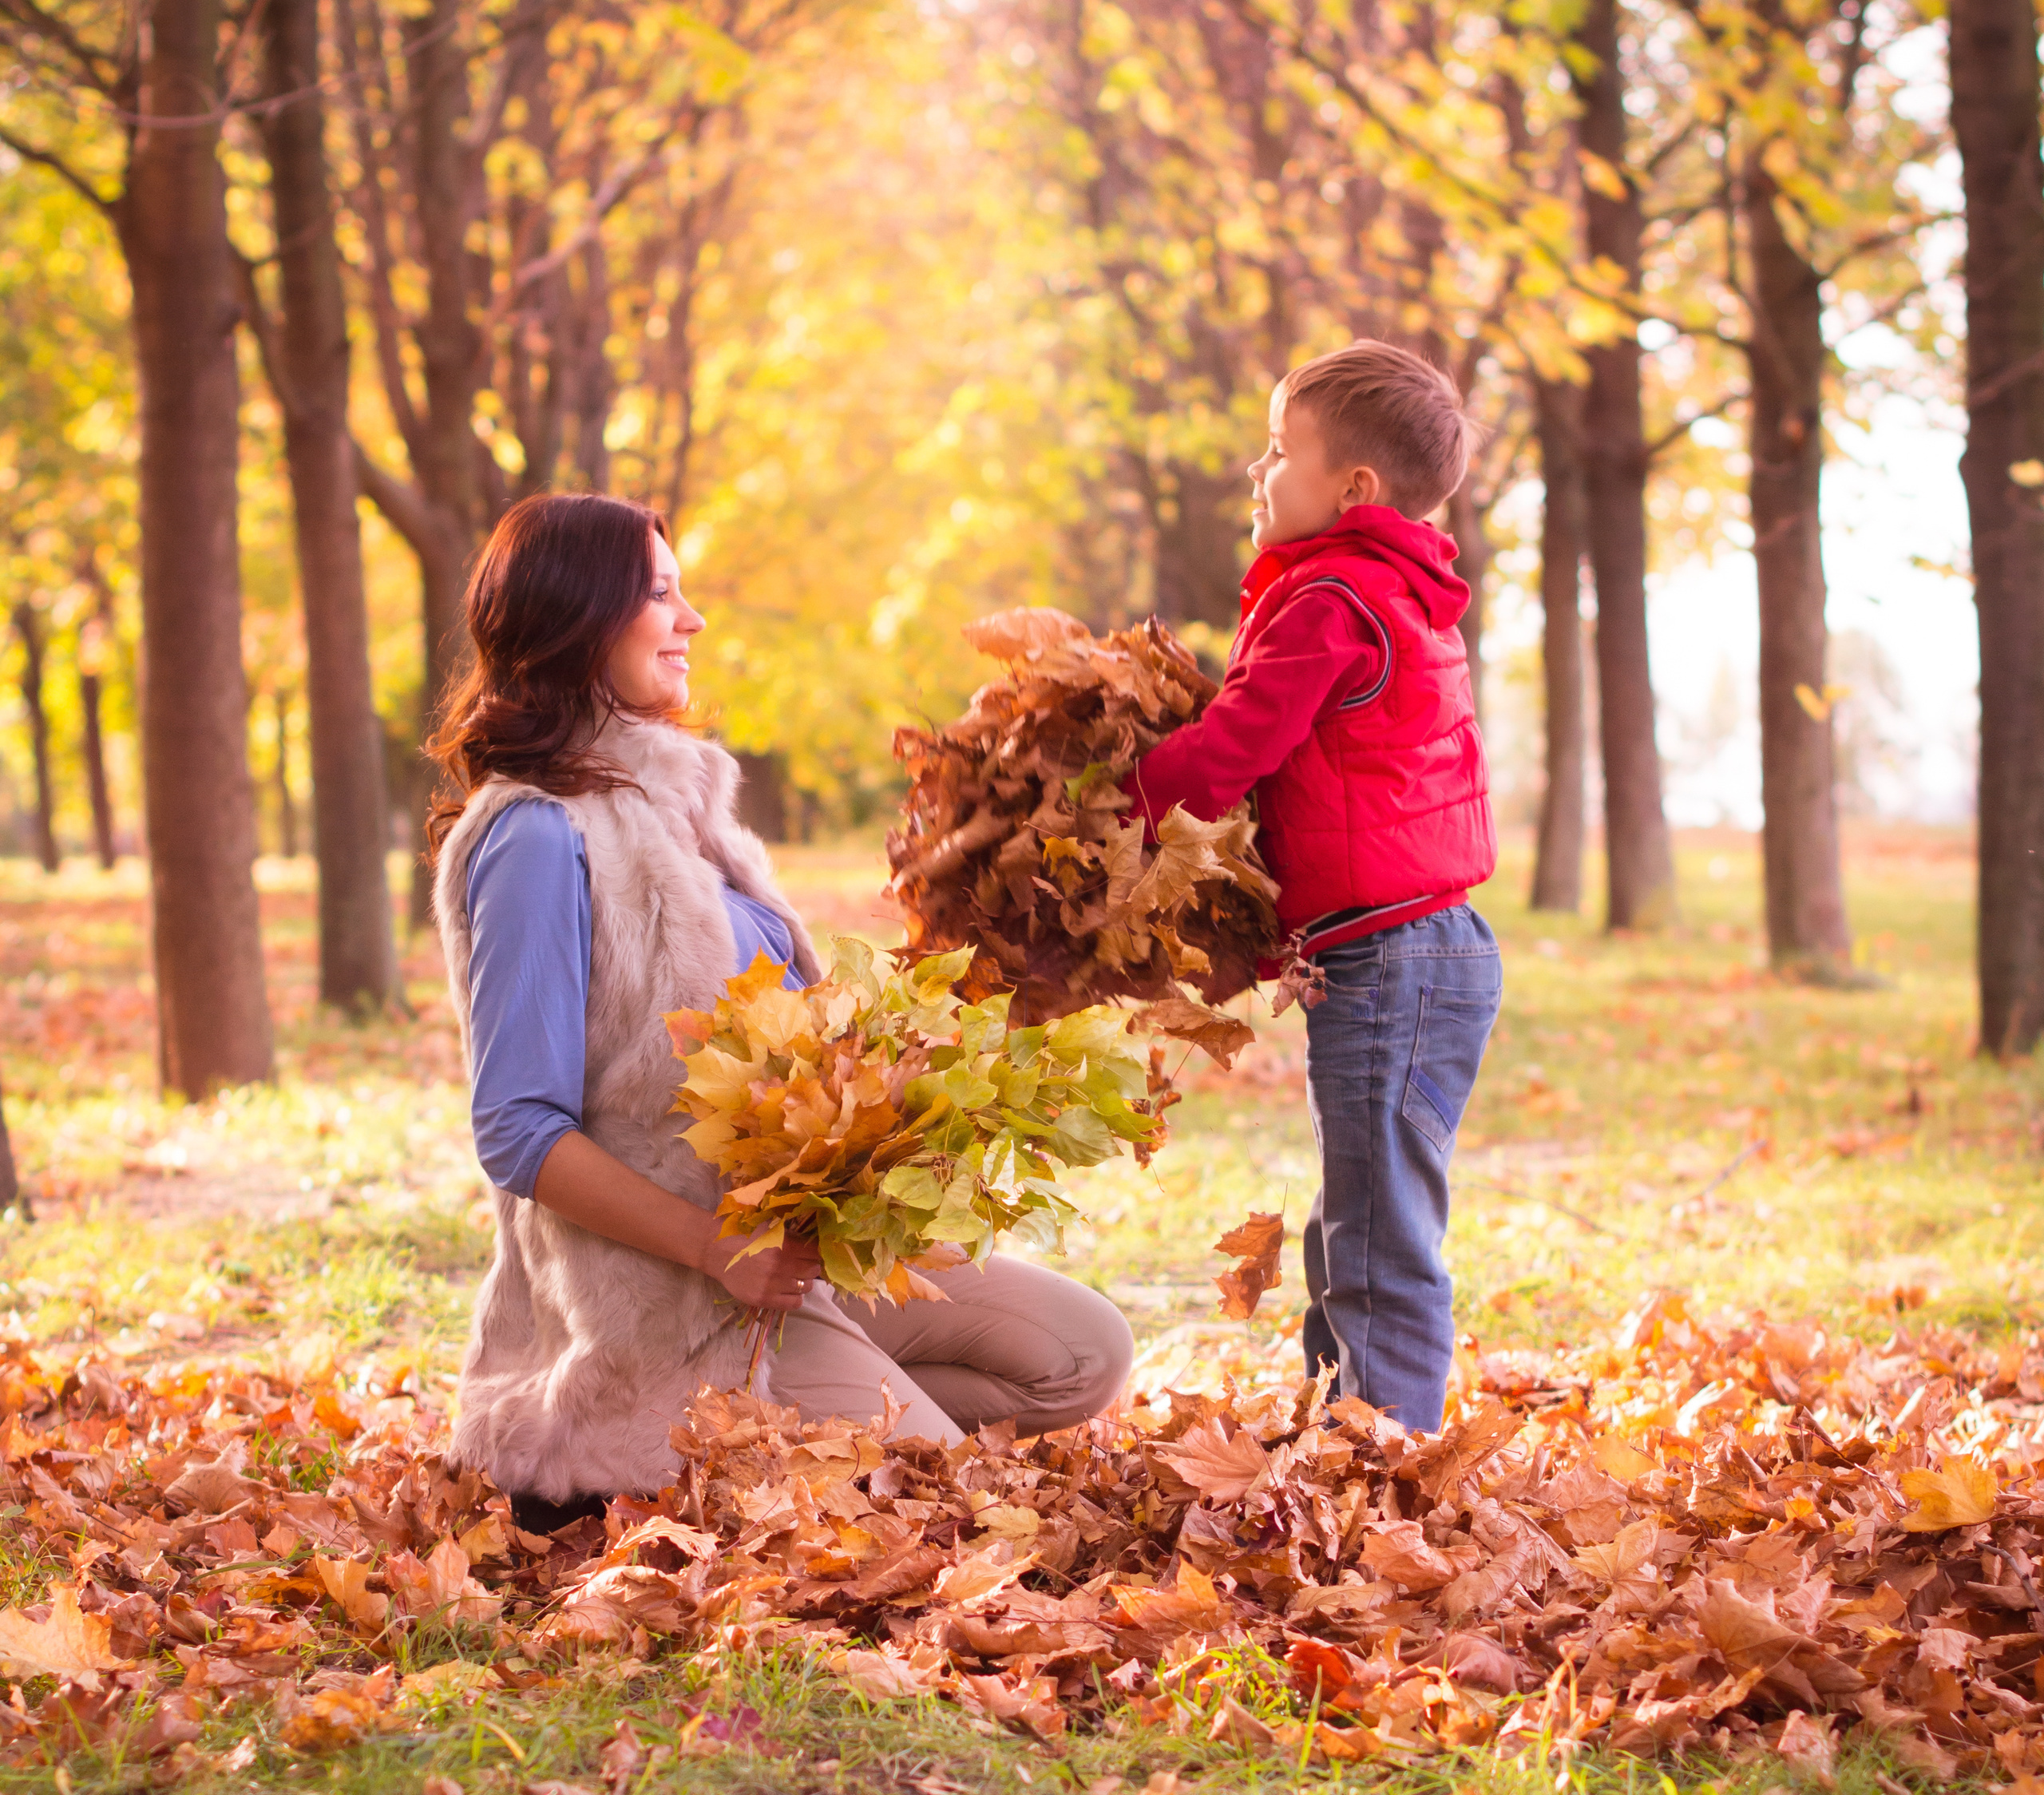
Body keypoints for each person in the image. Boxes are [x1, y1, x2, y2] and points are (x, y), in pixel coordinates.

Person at [429, 493, 1132, 1531]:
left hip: (793, 1265)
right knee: (944, 1507)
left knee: (1084, 1354)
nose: (693, 620)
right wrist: (717, 1248)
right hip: (665, 1313)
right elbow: (518, 1131)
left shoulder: (683, 812)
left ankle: (813, 1441)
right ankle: (644, 1474)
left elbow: (787, 1046)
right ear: (581, 616)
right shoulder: (534, 838)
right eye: (661, 594)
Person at [1124, 341, 1501, 1435]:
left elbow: (1235, 748)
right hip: (1409, 952)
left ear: (1354, 490)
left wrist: (1119, 803)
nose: (1258, 471)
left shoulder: (1333, 600)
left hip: (1400, 960)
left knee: (1380, 1238)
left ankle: (1388, 1468)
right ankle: (1349, 1438)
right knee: (1355, 1222)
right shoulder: (1390, 592)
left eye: (1280, 452)